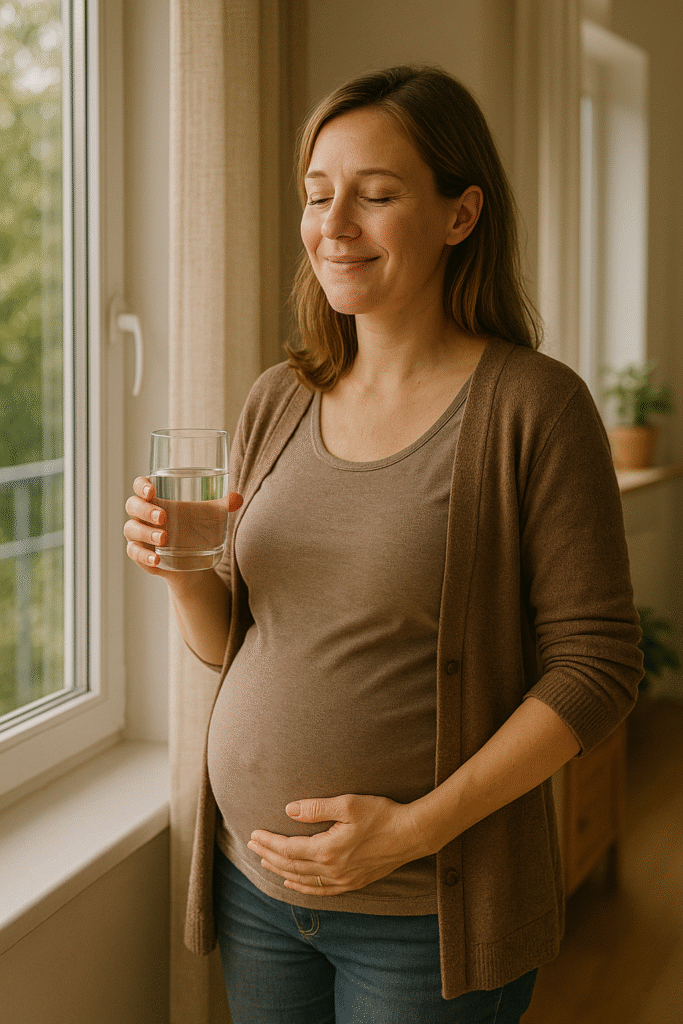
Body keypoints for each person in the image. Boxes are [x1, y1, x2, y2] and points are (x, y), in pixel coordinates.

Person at [124, 65, 643, 1023]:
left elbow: (598, 668)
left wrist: (409, 832)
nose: (335, 224)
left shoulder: (535, 407)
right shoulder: (277, 397)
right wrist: (187, 568)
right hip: (258, 891)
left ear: (460, 213)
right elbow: (234, 640)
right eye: (318, 196)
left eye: (377, 194)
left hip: (421, 916)